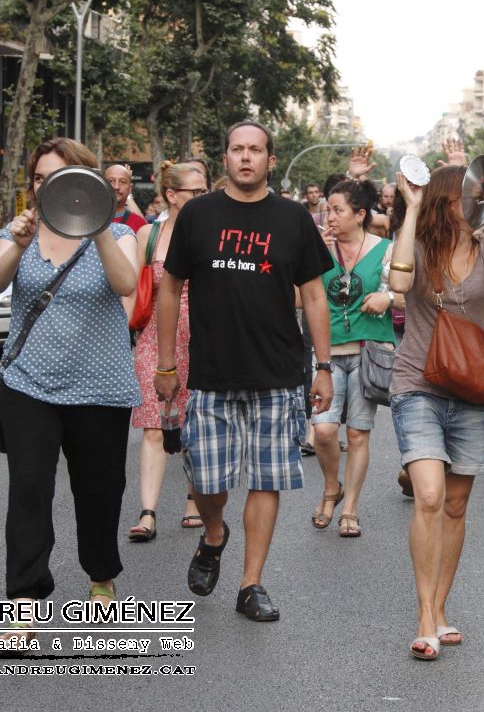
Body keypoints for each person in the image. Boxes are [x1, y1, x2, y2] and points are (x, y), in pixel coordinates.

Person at [155, 120, 333, 623]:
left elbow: (314, 296)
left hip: (277, 373)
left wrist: (323, 366)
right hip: (210, 374)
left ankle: (251, 583)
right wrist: (167, 363)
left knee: (266, 481)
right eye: (237, 150)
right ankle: (214, 534)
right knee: (207, 484)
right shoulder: (198, 215)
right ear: (226, 157)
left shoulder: (293, 218)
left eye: (256, 150)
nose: (247, 157)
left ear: (271, 160)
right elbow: (169, 289)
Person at [0, 138, 139, 644]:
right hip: (29, 385)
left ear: (84, 182)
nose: (45, 187)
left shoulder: (118, 233)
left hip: (99, 388)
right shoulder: (24, 231)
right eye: (38, 179)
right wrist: (18, 242)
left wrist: (94, 230)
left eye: (58, 178)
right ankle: (25, 601)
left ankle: (100, 577)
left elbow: (124, 285)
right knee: (28, 492)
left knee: (99, 492)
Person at [387, 161, 484, 660]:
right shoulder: (422, 246)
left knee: (455, 505)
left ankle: (441, 607)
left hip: (473, 390)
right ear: (446, 201)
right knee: (428, 495)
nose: (469, 203)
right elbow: (400, 282)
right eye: (462, 197)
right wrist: (413, 209)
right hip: (418, 383)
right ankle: (425, 616)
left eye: (474, 196)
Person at [127, 162, 208, 543]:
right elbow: (132, 290)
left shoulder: (214, 234)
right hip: (154, 338)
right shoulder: (149, 234)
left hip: (204, 337)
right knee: (153, 426)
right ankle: (148, 512)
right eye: (194, 192)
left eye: (205, 191)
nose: (201, 198)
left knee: (196, 424)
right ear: (172, 195)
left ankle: (194, 499)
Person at [310, 179, 396, 538]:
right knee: (324, 431)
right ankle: (332, 486)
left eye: (337, 210)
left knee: (358, 434)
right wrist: (315, 258)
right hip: (327, 354)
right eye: (328, 209)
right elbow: (299, 299)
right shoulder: (316, 246)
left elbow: (408, 292)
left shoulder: (385, 248)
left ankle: (350, 508)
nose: (329, 216)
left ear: (360, 215)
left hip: (368, 351)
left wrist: (388, 298)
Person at [105, 164, 148, 231]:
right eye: (111, 181)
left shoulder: (139, 224)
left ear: (130, 188)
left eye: (122, 182)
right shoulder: (90, 218)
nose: (116, 187)